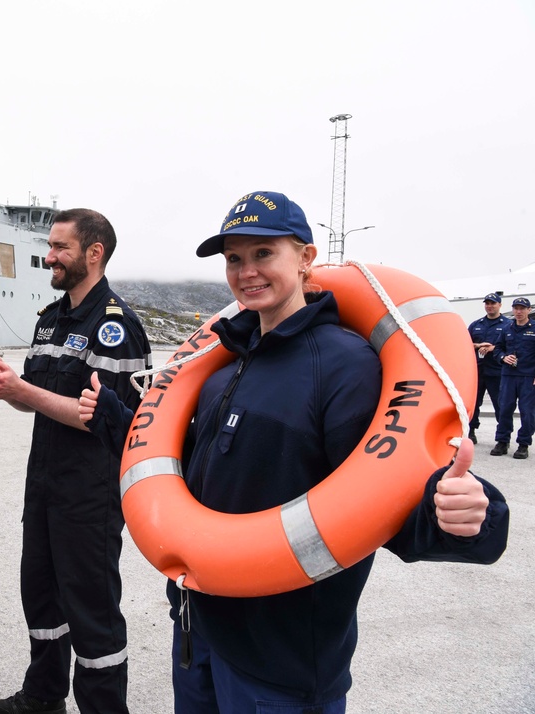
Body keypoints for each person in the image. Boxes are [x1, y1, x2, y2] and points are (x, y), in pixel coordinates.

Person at [79, 191, 509, 713]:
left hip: (283, 662)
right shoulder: (223, 366)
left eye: (264, 253)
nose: (246, 271)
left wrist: (463, 515)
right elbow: (190, 466)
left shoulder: (345, 367)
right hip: (199, 630)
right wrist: (115, 420)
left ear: (305, 259)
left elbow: (382, 495)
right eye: (234, 258)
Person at [0, 208, 152, 714]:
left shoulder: (116, 328)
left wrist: (21, 388)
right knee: (41, 597)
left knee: (92, 611)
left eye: (59, 248)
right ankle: (44, 698)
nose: (49, 256)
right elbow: (35, 398)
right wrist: (4, 388)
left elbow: (106, 419)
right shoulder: (51, 320)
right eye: (50, 246)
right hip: (44, 485)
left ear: (94, 253)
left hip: (89, 495)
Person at [490, 296, 535, 459]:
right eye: (516, 308)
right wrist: (503, 357)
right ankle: (502, 441)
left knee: (527, 412)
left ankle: (523, 444)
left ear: (528, 310)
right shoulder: (507, 329)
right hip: (508, 375)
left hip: (528, 377)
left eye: (522, 308)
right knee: (504, 409)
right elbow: (497, 349)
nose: (518, 311)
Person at [467, 293, 510, 444]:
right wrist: (479, 345)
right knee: (473, 403)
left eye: (493, 303)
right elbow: (465, 344)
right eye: (487, 303)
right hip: (478, 372)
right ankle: (470, 432)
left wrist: (493, 348)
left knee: (501, 405)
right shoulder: (476, 324)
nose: (490, 306)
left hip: (497, 372)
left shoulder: (507, 325)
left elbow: (510, 348)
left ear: (500, 305)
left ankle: (502, 438)